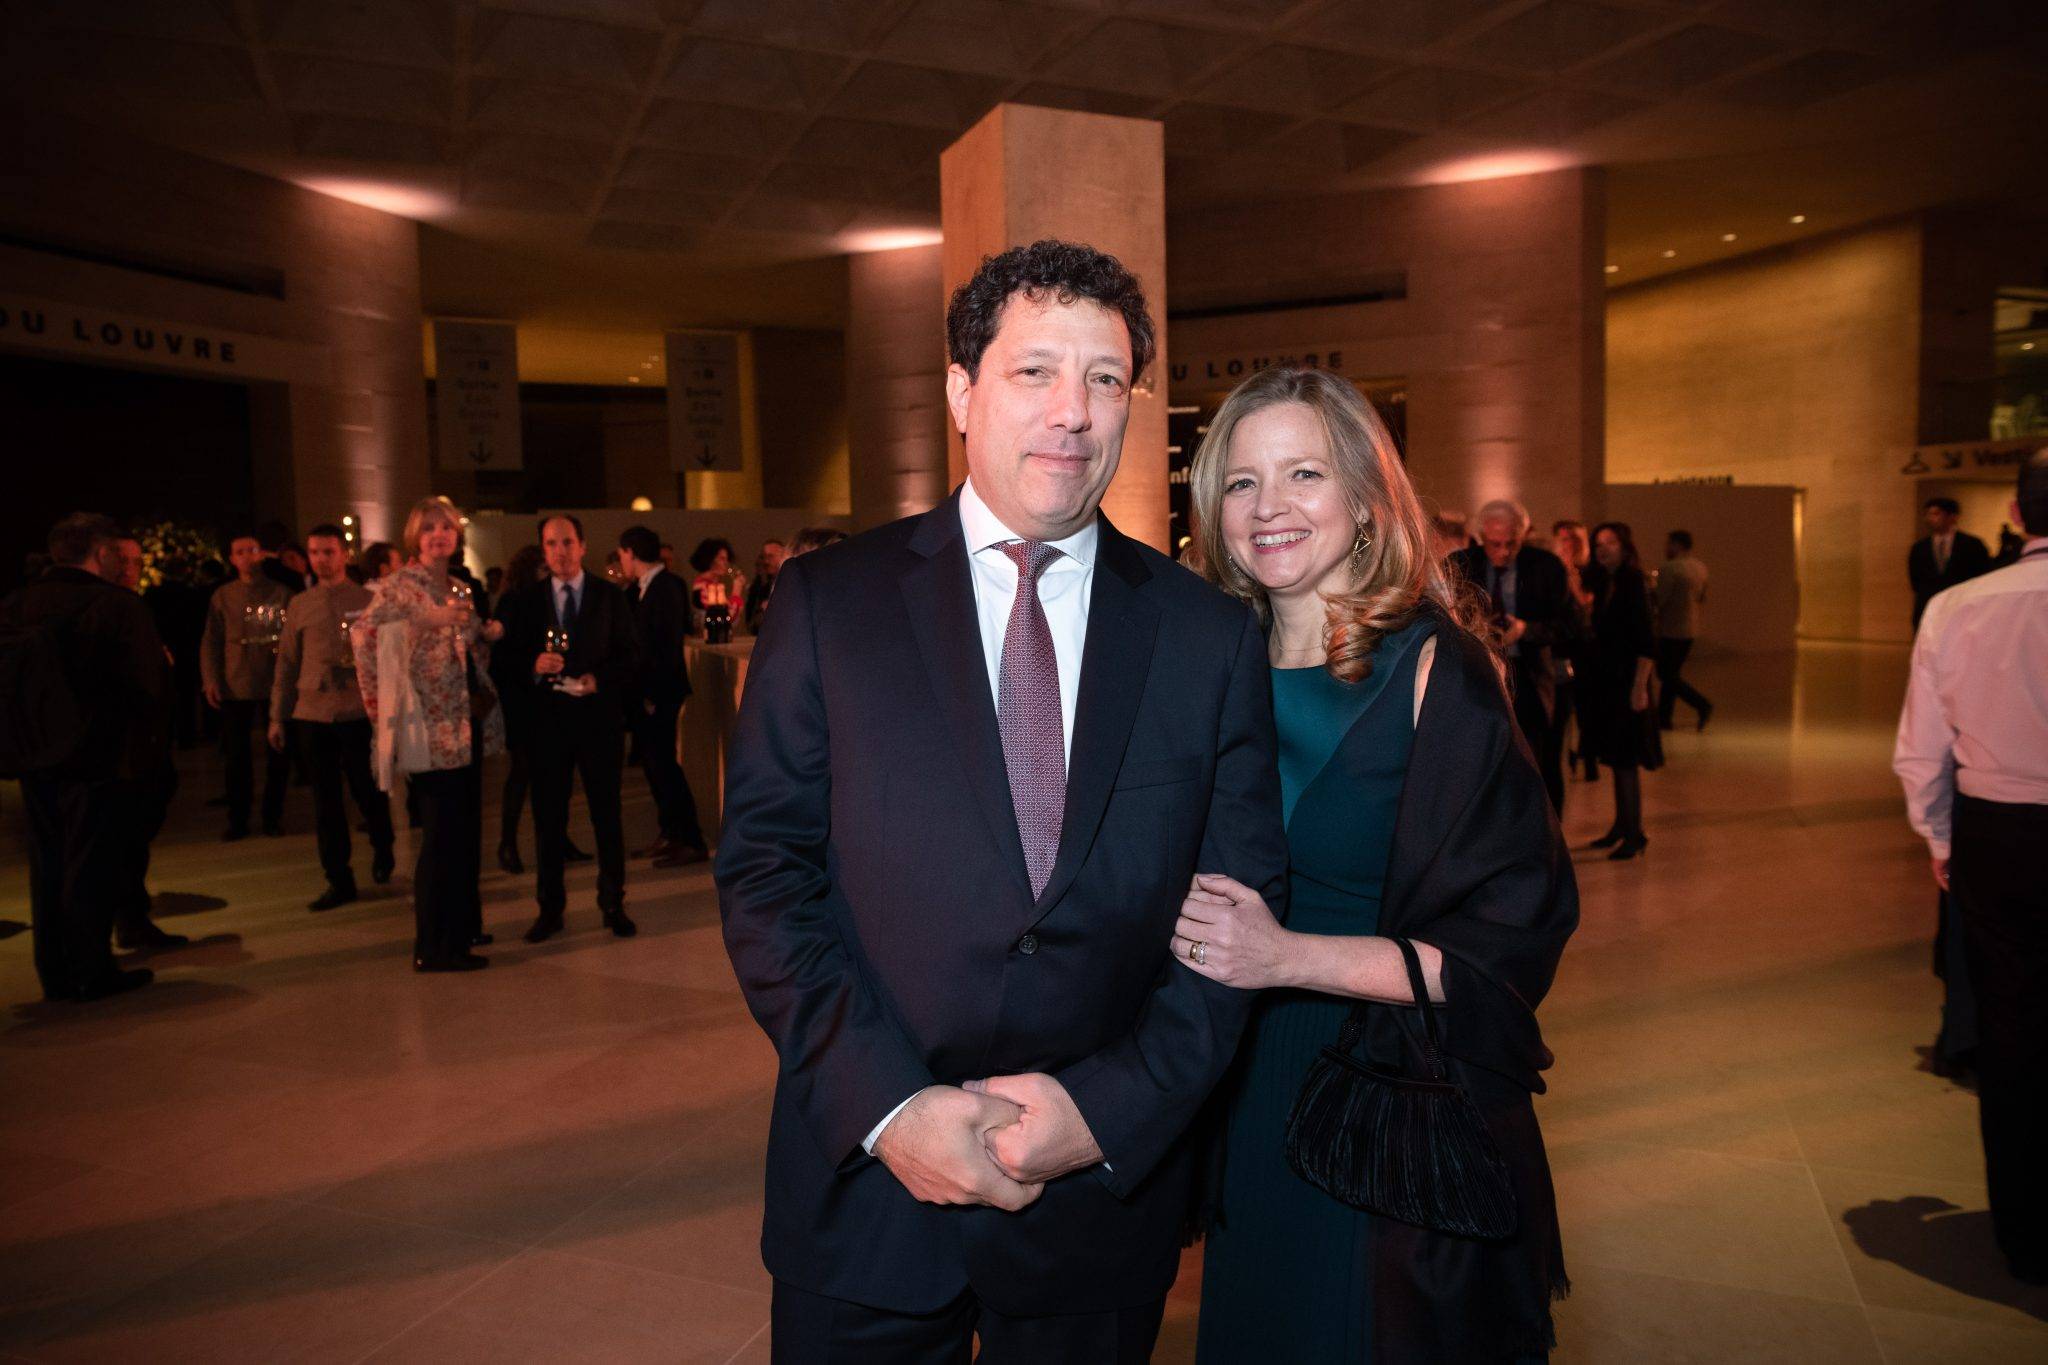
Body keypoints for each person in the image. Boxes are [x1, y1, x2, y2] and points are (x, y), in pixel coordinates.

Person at [716, 238, 1287, 1359]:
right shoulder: (831, 606)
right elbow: (764, 875)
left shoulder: (1204, 637)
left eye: (1105, 378)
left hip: (1095, 1208)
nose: (1071, 412)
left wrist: (1106, 1112)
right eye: (1034, 371)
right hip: (866, 1195)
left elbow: (1233, 922)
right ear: (960, 391)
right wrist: (889, 1109)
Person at [1182, 365, 1575, 1362]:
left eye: (1303, 474)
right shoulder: (1198, 664)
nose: (1268, 508)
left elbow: (1507, 948)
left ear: (1362, 498)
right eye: (1239, 481)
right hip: (1234, 1090)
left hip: (1384, 1096)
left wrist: (1284, 959)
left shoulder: (1435, 670)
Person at [1893, 448, 2048, 1286]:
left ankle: (2027, 1229)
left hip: (2000, 834)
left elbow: (1922, 748)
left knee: (2015, 1028)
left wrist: (1941, 839)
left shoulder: (1959, 607)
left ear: (2019, 517)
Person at [3, 513, 168, 1001]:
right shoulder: (116, 606)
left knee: (47, 861)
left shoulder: (16, 605)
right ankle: (92, 969)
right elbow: (148, 688)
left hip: (35, 756)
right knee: (91, 864)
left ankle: (54, 970)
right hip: (100, 758)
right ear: (99, 554)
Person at [352, 497, 505, 972]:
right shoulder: (400, 587)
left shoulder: (458, 587)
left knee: (461, 834)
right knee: (439, 838)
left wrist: (487, 632)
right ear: (415, 537)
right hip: (427, 727)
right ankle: (433, 946)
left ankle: (459, 933)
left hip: (466, 723)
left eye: (447, 527)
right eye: (429, 528)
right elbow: (363, 635)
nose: (439, 535)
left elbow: (467, 640)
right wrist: (424, 620)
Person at [494, 515, 641, 943]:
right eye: (551, 543)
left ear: (582, 545)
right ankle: (549, 908)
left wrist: (600, 679)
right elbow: (504, 660)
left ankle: (613, 902)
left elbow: (631, 654)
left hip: (598, 721)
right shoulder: (526, 600)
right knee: (549, 818)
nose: (560, 550)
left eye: (567, 542)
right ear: (543, 549)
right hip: (548, 724)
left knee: (606, 815)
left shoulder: (609, 596)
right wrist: (532, 665)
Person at [268, 524, 394, 911]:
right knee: (325, 802)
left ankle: (382, 843)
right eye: (315, 552)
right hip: (313, 713)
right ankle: (338, 878)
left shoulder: (366, 599)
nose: (322, 559)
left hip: (357, 711)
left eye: (329, 551)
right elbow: (287, 663)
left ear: (345, 555)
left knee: (367, 790)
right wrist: (277, 715)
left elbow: (385, 657)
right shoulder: (300, 604)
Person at [1451, 500, 1573, 813]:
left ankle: (1546, 843)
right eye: (1495, 544)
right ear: (1481, 536)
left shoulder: (1546, 566)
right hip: (1480, 680)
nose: (1503, 552)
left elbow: (1569, 625)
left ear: (1524, 535)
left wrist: (1526, 630)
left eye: (1511, 543)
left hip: (1531, 678)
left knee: (1539, 765)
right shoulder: (1460, 564)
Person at [101, 533, 187, 953]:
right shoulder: (120, 610)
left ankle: (128, 918)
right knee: (125, 843)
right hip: (129, 751)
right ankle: (128, 921)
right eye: (129, 561)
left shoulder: (127, 608)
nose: (134, 570)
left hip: (135, 747)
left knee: (127, 843)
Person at [616, 525, 708, 868]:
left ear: (631, 552)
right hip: (646, 693)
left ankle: (690, 838)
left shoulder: (667, 585)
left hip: (659, 692)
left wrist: (651, 693)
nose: (621, 561)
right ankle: (671, 832)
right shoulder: (641, 588)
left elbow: (666, 645)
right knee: (655, 768)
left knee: (665, 766)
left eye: (622, 554)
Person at [200, 532, 292, 840]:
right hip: (234, 680)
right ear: (231, 558)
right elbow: (211, 640)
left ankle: (272, 815)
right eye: (239, 552)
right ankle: (238, 817)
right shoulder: (223, 596)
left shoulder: (281, 593)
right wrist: (211, 678)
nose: (246, 557)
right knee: (237, 757)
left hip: (273, 679)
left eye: (252, 550)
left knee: (277, 753)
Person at [1583, 522, 1657, 861]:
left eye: (1610, 542)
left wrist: (1640, 688)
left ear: (1624, 546)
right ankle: (1620, 825)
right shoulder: (1604, 582)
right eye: (1598, 543)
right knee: (1614, 757)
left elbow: (1645, 641)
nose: (1603, 548)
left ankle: (1635, 832)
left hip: (1628, 682)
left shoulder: (1632, 582)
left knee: (1626, 759)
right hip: (1607, 683)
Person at [491, 544, 548, 875]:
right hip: (521, 700)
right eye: (542, 569)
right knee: (522, 771)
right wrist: (533, 666)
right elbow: (502, 658)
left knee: (547, 773)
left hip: (542, 699)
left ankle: (553, 840)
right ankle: (507, 842)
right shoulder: (514, 602)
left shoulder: (544, 598)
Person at [1551, 519, 1599, 782]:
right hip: (1565, 646)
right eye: (1563, 539)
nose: (1567, 545)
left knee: (1585, 707)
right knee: (1566, 706)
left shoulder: (1591, 571)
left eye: (1572, 539)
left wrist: (1571, 576)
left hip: (1587, 648)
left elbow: (1586, 606)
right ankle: (1571, 756)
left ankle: (1588, 758)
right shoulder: (1554, 569)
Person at [1653, 529, 1714, 731]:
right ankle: (1664, 718)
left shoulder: (1670, 568)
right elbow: (1702, 597)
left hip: (1671, 629)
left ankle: (1701, 704)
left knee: (1666, 674)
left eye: (1668, 544)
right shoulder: (1700, 568)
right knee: (1672, 673)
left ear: (1677, 545)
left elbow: (1660, 600)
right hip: (1691, 629)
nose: (1665, 548)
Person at [1908, 496, 1991, 627]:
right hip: (1929, 610)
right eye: (1928, 514)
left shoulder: (1972, 545)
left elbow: (1982, 576)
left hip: (1962, 608)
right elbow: (1916, 582)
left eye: (1936, 514)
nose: (1929, 519)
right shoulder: (1919, 548)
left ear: (1952, 516)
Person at [743, 539, 785, 633]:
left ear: (783, 557)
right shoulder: (758, 589)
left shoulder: (792, 585)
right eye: (763, 557)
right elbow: (751, 625)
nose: (766, 562)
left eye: (771, 557)